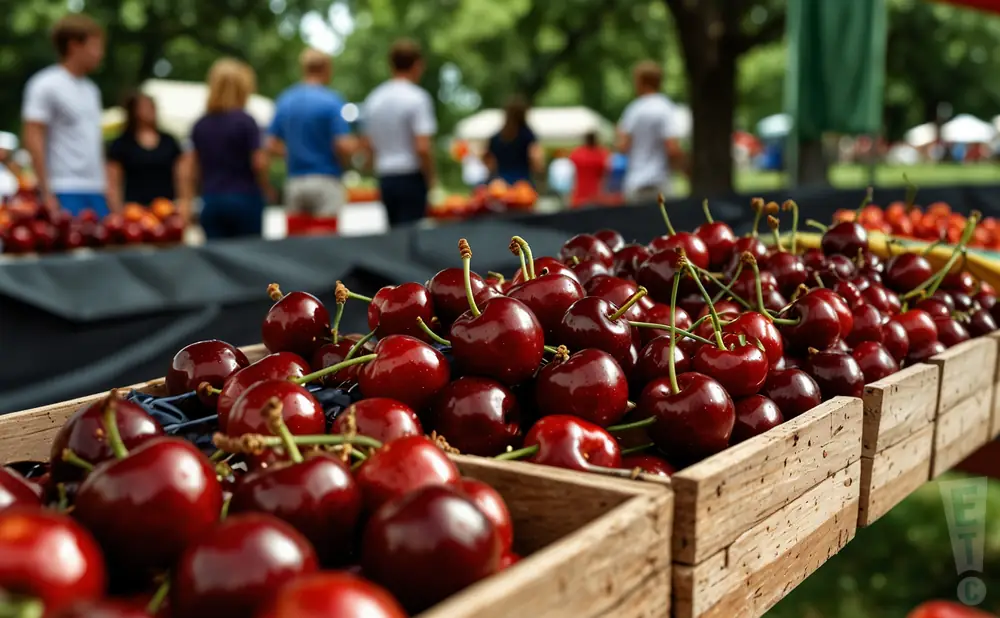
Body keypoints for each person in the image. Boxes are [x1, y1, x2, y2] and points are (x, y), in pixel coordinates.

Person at [22, 14, 108, 217]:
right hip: (63, 187)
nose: (100, 54)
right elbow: (33, 137)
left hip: (96, 189)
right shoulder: (46, 84)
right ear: (74, 46)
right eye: (95, 46)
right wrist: (46, 192)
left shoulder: (92, 90)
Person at [182, 58, 273, 239]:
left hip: (212, 200)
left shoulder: (200, 124)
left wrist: (187, 202)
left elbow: (189, 169)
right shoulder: (246, 122)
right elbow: (259, 163)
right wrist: (266, 187)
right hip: (245, 199)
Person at [266, 48, 353, 220]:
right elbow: (342, 145)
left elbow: (270, 143)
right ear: (326, 69)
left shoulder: (286, 100)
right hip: (326, 180)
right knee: (326, 241)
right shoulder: (332, 101)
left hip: (295, 180)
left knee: (297, 243)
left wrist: (292, 152)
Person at [360, 39, 437, 227]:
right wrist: (431, 178)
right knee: (412, 235)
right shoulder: (417, 98)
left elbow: (368, 144)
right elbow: (422, 146)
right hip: (410, 175)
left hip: (386, 176)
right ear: (417, 65)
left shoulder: (374, 99)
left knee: (394, 235)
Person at [616, 60, 686, 202]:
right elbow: (672, 148)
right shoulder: (665, 107)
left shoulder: (633, 110)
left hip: (635, 182)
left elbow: (622, 146)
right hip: (660, 181)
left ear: (641, 82)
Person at [106, 92, 183, 211]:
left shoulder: (169, 141)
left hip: (166, 208)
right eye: (145, 107)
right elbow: (113, 180)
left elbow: (181, 175)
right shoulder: (122, 144)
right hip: (134, 210)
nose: (150, 111)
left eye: (152, 106)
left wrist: (183, 203)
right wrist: (116, 208)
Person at [484, 96, 542, 186]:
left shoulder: (496, 137)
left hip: (499, 184)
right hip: (522, 184)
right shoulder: (528, 135)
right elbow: (536, 160)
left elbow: (488, 160)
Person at [568, 132, 609, 208]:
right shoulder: (601, 154)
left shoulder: (577, 153)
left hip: (578, 195)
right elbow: (605, 172)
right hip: (595, 196)